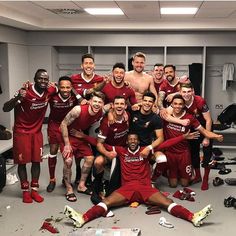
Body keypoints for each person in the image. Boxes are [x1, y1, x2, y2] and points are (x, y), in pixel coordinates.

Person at [64, 133, 213, 228]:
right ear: (127, 142)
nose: (133, 141)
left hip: (145, 187)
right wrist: (83, 137)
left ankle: (193, 217)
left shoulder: (145, 151)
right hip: (127, 187)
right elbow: (98, 142)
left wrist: (183, 137)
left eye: (135, 139)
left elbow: (165, 144)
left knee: (168, 203)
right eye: (130, 139)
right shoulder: (121, 151)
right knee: (106, 202)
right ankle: (82, 219)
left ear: (138, 141)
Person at [3, 69, 57, 203]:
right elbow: (6, 108)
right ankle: (25, 191)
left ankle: (34, 190)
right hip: (22, 132)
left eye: (45, 79)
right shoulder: (25, 91)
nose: (43, 81)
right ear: (34, 79)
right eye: (40, 78)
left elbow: (58, 88)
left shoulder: (49, 91)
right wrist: (18, 97)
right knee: (22, 163)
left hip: (36, 133)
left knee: (36, 161)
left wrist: (55, 85)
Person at [163, 94, 223, 187]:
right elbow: (157, 111)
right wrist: (181, 122)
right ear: (172, 105)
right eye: (175, 104)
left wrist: (216, 136)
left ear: (184, 106)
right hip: (171, 151)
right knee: (173, 184)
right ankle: (174, 172)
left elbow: (204, 131)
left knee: (185, 184)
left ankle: (199, 177)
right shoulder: (166, 115)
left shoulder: (190, 117)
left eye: (180, 104)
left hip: (183, 152)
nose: (178, 106)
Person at [60, 91, 105, 202]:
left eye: (100, 102)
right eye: (94, 101)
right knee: (68, 161)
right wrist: (67, 144)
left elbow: (112, 107)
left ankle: (81, 185)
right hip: (66, 135)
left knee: (90, 159)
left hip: (78, 135)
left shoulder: (100, 112)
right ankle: (69, 189)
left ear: (103, 104)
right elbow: (63, 124)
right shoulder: (78, 110)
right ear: (89, 101)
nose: (97, 104)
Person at [92, 96, 130, 198]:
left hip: (122, 150)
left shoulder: (128, 116)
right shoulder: (106, 122)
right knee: (98, 162)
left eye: (122, 104)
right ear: (112, 106)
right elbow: (99, 144)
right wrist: (107, 153)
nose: (119, 106)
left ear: (125, 106)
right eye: (117, 104)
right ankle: (99, 184)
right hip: (108, 149)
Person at [180, 83, 214, 190]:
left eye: (189, 91)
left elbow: (209, 120)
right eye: (184, 92)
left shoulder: (200, 101)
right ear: (180, 92)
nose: (186, 94)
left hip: (205, 128)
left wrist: (207, 137)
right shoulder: (179, 100)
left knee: (207, 153)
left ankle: (205, 179)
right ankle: (198, 176)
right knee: (193, 153)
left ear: (193, 91)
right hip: (193, 129)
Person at [46, 76, 78, 192]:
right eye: (62, 87)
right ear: (58, 87)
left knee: (66, 153)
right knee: (53, 151)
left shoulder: (74, 97)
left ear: (71, 88)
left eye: (68, 87)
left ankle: (66, 179)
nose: (65, 90)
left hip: (68, 126)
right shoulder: (52, 96)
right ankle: (52, 179)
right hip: (54, 125)